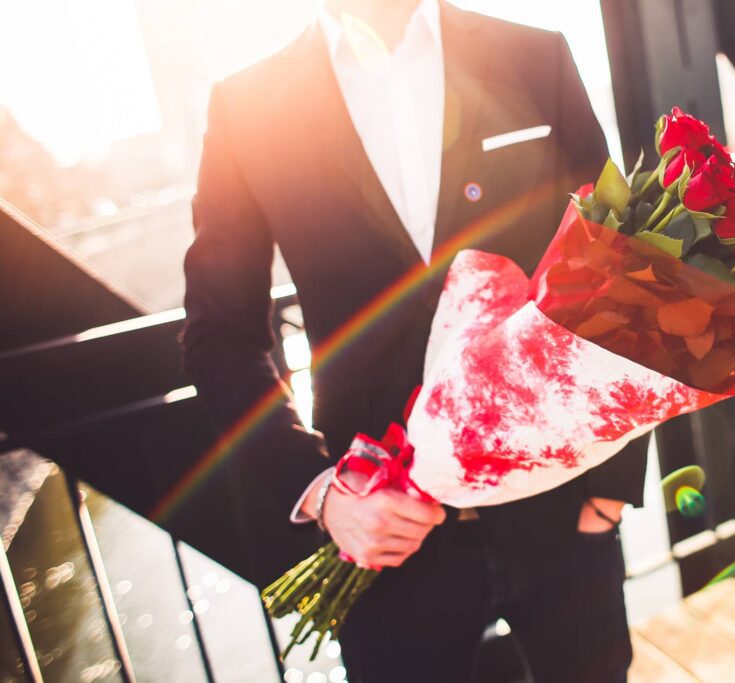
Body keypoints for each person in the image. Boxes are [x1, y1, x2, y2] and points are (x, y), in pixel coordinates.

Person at [181, 1, 649, 680]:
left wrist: (609, 489)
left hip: (561, 513)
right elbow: (219, 334)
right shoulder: (245, 105)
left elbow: (616, 269)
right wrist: (320, 491)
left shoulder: (535, 54)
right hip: (384, 542)